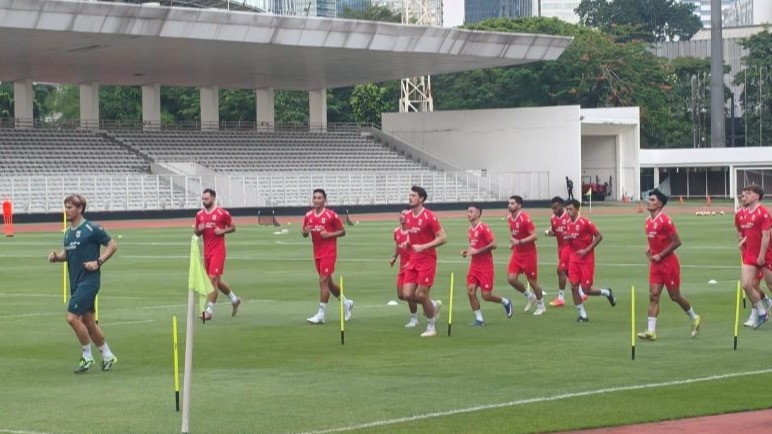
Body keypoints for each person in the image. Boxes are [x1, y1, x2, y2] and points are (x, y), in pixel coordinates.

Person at [48, 194, 118, 373]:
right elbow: (68, 253)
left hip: (90, 281)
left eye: (70, 207)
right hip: (76, 282)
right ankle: (108, 355)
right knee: (88, 321)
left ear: (80, 209)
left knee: (72, 317)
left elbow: (112, 245)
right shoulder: (68, 233)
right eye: (65, 206)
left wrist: (98, 262)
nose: (66, 210)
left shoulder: (92, 229)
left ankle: (87, 356)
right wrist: (56, 258)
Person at [637, 189, 701, 340]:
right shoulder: (647, 221)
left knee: (675, 296)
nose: (649, 201)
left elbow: (677, 241)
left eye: (652, 200)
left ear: (659, 203)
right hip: (656, 265)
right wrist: (649, 249)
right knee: (653, 296)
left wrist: (660, 254)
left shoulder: (665, 221)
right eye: (649, 199)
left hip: (669, 263)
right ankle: (651, 332)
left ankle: (694, 317)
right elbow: (651, 240)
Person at [302, 189, 354, 324]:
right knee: (329, 283)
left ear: (325, 200)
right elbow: (304, 233)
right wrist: (305, 232)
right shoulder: (308, 215)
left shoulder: (331, 215)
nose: (316, 200)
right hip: (317, 252)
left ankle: (321, 314)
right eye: (314, 198)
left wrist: (329, 235)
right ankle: (347, 303)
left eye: (319, 198)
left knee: (322, 280)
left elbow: (343, 231)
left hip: (329, 252)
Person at [403, 185, 447, 337]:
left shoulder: (429, 216)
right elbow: (412, 236)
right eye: (409, 195)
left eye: (413, 195)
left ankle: (431, 327)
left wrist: (424, 246)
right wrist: (407, 243)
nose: (410, 197)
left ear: (421, 199)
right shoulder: (408, 216)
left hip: (427, 259)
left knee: (421, 294)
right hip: (413, 259)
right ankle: (433, 304)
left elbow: (443, 238)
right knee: (407, 294)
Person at [563, 199, 616, 322]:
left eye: (570, 209)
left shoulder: (585, 222)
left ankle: (606, 292)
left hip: (586, 259)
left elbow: (599, 236)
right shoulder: (568, 223)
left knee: (586, 289)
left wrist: (586, 250)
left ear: (576, 209)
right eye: (567, 209)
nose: (568, 212)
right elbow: (571, 240)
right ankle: (583, 315)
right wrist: (568, 237)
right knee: (573, 287)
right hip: (574, 259)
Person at [195, 189, 241, 321]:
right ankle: (234, 299)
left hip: (218, 251)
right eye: (203, 199)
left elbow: (233, 227)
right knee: (217, 281)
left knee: (212, 280)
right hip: (207, 252)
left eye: (206, 199)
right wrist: (200, 230)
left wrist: (222, 231)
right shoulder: (199, 215)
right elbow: (196, 232)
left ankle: (209, 311)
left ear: (213, 198)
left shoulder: (222, 213)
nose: (204, 201)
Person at [462, 204, 512, 325]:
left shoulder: (484, 228)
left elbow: (494, 244)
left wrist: (477, 251)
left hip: (485, 266)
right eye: (468, 211)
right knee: (470, 291)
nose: (469, 214)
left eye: (471, 211)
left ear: (478, 213)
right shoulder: (470, 230)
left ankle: (506, 302)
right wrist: (467, 252)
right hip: (474, 266)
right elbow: (473, 246)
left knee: (486, 295)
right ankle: (479, 319)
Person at [734, 185, 771, 329]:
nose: (745, 196)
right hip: (750, 255)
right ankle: (762, 313)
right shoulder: (745, 213)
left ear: (757, 196)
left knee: (770, 285)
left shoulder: (763, 213)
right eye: (745, 194)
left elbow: (766, 236)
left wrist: (761, 256)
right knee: (746, 285)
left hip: (765, 255)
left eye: (749, 193)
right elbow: (748, 233)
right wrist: (742, 241)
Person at [506, 195, 546, 316]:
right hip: (517, 254)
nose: (509, 205)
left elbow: (535, 236)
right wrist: (514, 244)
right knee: (511, 279)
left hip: (529, 254)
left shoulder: (525, 218)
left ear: (519, 205)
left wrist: (520, 242)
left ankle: (541, 305)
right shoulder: (509, 218)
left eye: (512, 203)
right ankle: (529, 296)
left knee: (532, 282)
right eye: (509, 203)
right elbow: (515, 234)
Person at [545, 196, 586, 307]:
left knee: (560, 271)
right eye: (552, 208)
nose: (554, 210)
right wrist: (549, 233)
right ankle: (582, 292)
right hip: (560, 247)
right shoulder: (553, 218)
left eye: (556, 208)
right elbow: (555, 232)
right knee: (568, 271)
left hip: (569, 247)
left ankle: (561, 298)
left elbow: (576, 231)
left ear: (562, 206)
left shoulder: (569, 217)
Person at [390, 210, 419, 327]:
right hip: (402, 266)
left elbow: (417, 249)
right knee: (401, 295)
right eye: (401, 214)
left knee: (409, 294)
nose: (402, 217)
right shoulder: (396, 231)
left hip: (412, 266)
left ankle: (414, 319)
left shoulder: (413, 232)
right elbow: (397, 245)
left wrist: (411, 262)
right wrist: (394, 257)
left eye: (405, 215)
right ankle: (430, 303)